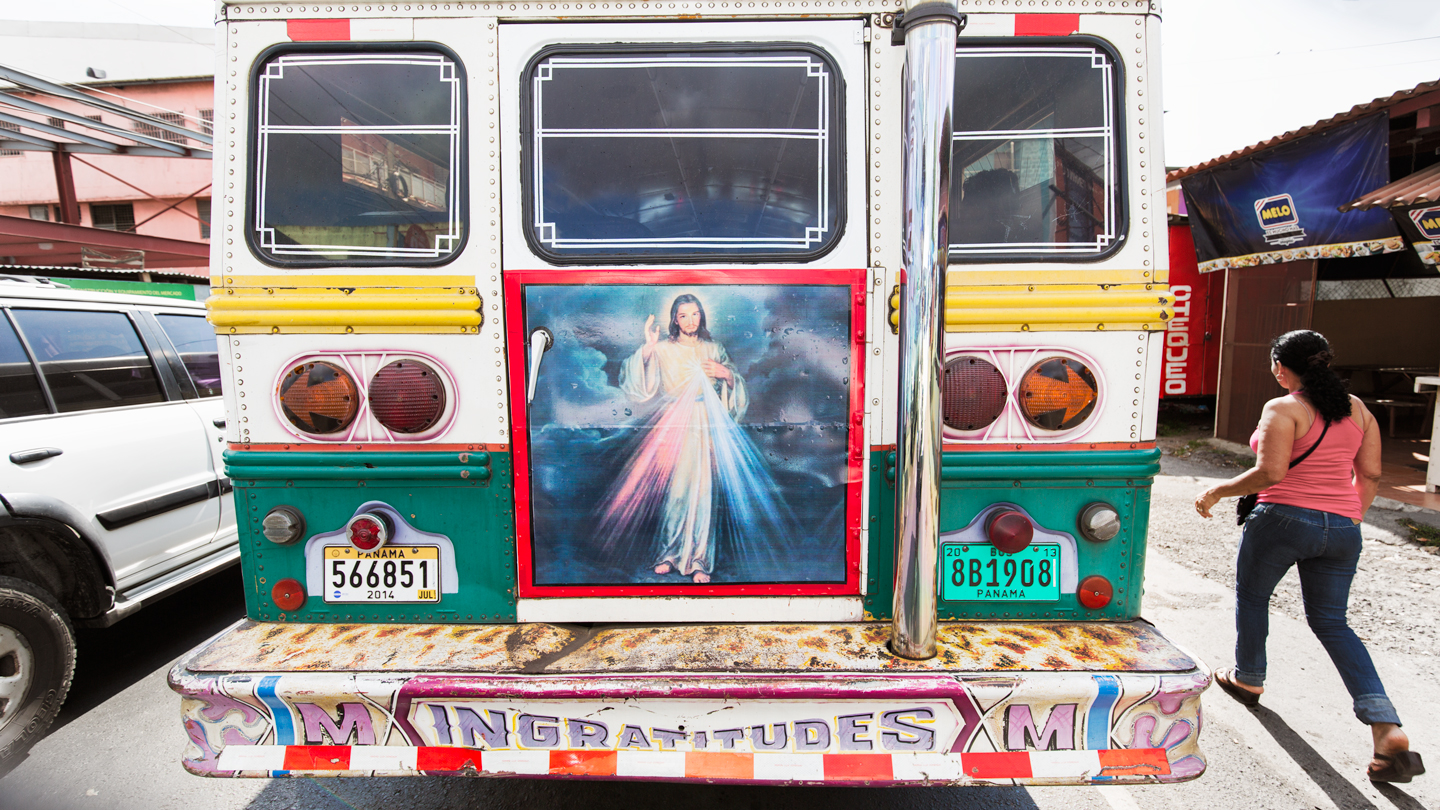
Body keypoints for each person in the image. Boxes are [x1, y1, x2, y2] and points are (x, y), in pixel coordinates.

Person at [1194, 330, 1424, 783]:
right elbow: (1371, 473)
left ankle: (1248, 677)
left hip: (1282, 519)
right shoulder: (1358, 409)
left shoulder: (1283, 408)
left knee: (1254, 596)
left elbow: (1271, 472)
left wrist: (1217, 490)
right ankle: (1385, 726)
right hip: (1343, 527)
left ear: (1282, 366)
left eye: (1274, 364)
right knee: (1333, 623)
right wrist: (1346, 518)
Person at [598, 294, 747, 584]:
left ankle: (701, 560)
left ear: (701, 316)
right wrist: (647, 350)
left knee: (704, 495)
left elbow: (737, 386)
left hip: (707, 424)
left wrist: (726, 374)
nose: (690, 321)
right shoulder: (664, 349)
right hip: (675, 424)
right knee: (676, 493)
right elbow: (636, 385)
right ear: (675, 320)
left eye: (695, 314)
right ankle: (669, 554)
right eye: (683, 315)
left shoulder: (714, 348)